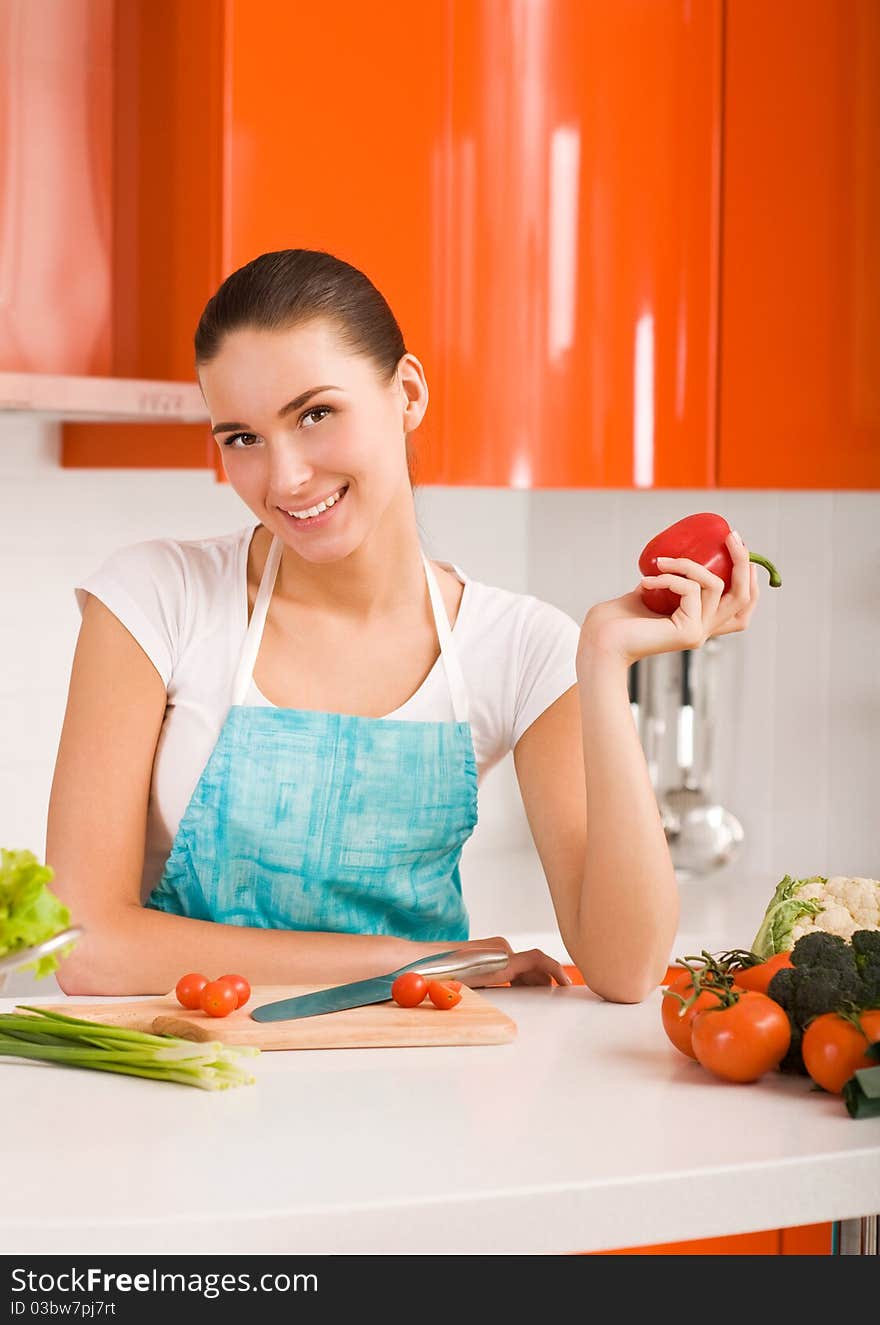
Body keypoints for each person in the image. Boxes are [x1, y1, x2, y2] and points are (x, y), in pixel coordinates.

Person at [46, 249, 760, 1001]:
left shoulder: (518, 647)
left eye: (315, 414)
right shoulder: (156, 598)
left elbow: (626, 968)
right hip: (188, 1083)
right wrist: (413, 960)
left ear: (408, 393)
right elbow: (86, 946)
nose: (284, 477)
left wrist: (607, 662)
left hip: (419, 1085)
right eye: (242, 438)